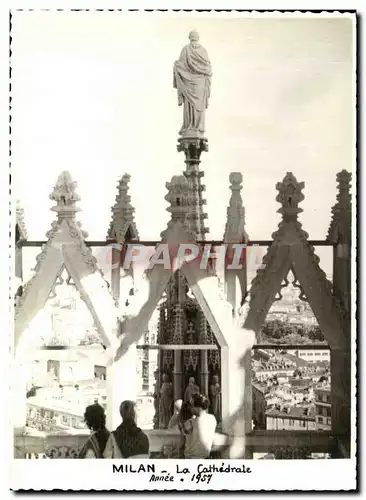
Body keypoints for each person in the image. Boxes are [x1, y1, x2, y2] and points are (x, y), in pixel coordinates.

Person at [173, 30, 212, 137]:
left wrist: (176, 65)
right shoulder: (203, 51)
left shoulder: (186, 49)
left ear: (190, 37)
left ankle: (190, 126)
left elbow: (181, 65)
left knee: (190, 107)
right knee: (198, 107)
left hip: (189, 84)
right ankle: (198, 126)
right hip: (200, 85)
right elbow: (208, 68)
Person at [181, 394, 217, 459]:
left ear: (198, 408)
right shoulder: (212, 419)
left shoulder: (190, 422)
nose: (190, 408)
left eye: (191, 405)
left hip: (191, 460)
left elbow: (184, 431)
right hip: (206, 458)